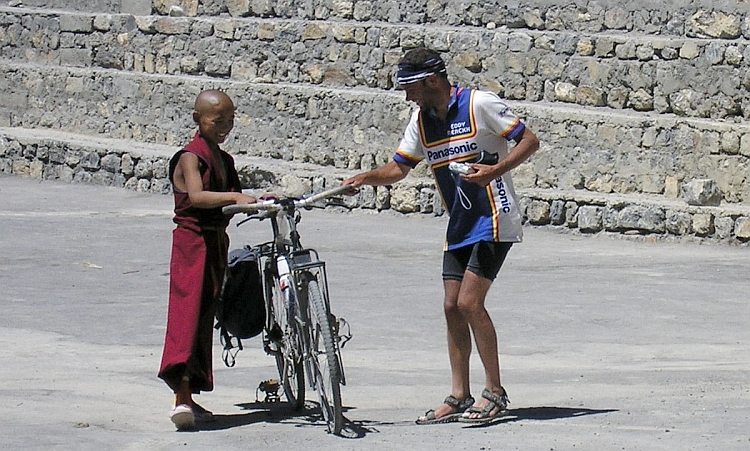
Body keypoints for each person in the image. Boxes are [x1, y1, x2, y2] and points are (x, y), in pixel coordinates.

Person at [342, 48, 540, 425]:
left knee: (469, 303)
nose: (406, 96)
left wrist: (493, 171)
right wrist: (365, 178)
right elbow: (399, 167)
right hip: (460, 224)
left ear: (432, 80)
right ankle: (460, 394)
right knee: (451, 306)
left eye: (410, 86)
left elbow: (529, 141)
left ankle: (495, 392)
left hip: (495, 219)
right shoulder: (421, 121)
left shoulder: (479, 104)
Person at [158, 89, 260, 430]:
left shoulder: (222, 158)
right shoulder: (190, 157)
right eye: (218, 121)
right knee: (187, 316)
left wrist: (260, 202)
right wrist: (234, 195)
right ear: (197, 119)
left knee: (205, 316)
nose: (225, 127)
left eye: (230, 121)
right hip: (192, 244)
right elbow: (199, 197)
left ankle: (190, 392)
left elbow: (235, 199)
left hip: (215, 243)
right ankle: (181, 396)